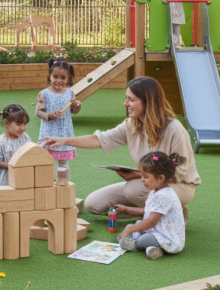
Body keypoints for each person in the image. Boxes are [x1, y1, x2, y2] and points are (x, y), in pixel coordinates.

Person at [44, 76, 199, 221]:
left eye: (131, 100)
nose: (126, 104)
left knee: (133, 190)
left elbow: (178, 173)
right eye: (126, 98)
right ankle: (158, 210)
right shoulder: (132, 125)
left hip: (179, 186)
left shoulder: (174, 129)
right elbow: (99, 139)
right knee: (93, 204)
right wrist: (64, 140)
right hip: (147, 181)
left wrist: (140, 175)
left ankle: (173, 212)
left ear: (147, 102)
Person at [117, 152, 187, 260]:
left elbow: (152, 221)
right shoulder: (156, 191)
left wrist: (129, 230)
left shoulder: (163, 196)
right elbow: (148, 212)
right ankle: (153, 249)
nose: (142, 180)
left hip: (166, 237)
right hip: (157, 229)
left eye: (146, 177)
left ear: (160, 178)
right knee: (138, 225)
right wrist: (127, 210)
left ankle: (135, 245)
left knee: (144, 238)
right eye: (142, 176)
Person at [37, 59, 82, 178]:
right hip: (49, 133)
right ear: (49, 77)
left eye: (63, 78)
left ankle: (63, 185)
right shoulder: (44, 94)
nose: (59, 81)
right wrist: (48, 115)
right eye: (55, 76)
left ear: (68, 78)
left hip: (65, 133)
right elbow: (39, 112)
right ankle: (48, 185)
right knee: (47, 163)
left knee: (64, 166)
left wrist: (77, 106)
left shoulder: (70, 93)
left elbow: (74, 111)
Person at [0, 104, 31, 186]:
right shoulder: (0, 142)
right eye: (18, 124)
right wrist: (13, 166)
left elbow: (30, 152)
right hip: (6, 182)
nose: (23, 128)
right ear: (6, 123)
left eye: (25, 124)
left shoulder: (25, 137)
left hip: (24, 179)